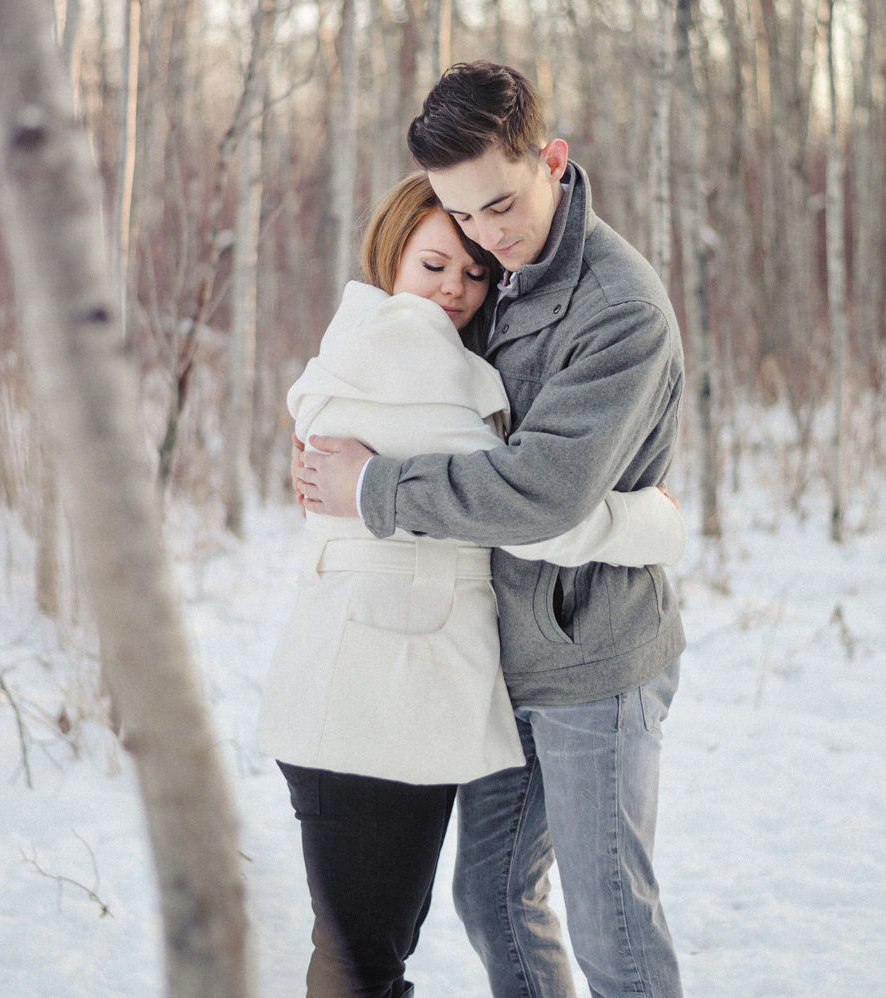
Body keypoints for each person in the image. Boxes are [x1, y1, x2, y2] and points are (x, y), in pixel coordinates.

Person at [294, 63, 689, 998]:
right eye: (462, 218)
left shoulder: (618, 310)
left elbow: (537, 492)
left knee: (612, 924)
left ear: (551, 159)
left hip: (593, 661)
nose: (487, 237)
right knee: (492, 896)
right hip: (502, 655)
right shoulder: (490, 279)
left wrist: (375, 488)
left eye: (502, 206)